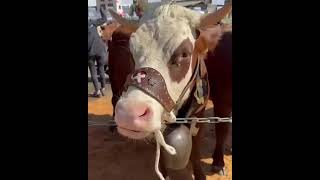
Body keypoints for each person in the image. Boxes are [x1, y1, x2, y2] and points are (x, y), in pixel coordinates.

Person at [88, 7, 108, 97]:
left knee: (93, 72)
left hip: (90, 53)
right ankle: (103, 88)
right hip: (100, 50)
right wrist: (101, 9)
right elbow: (104, 19)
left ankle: (98, 91)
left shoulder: (92, 22)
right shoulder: (92, 22)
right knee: (101, 69)